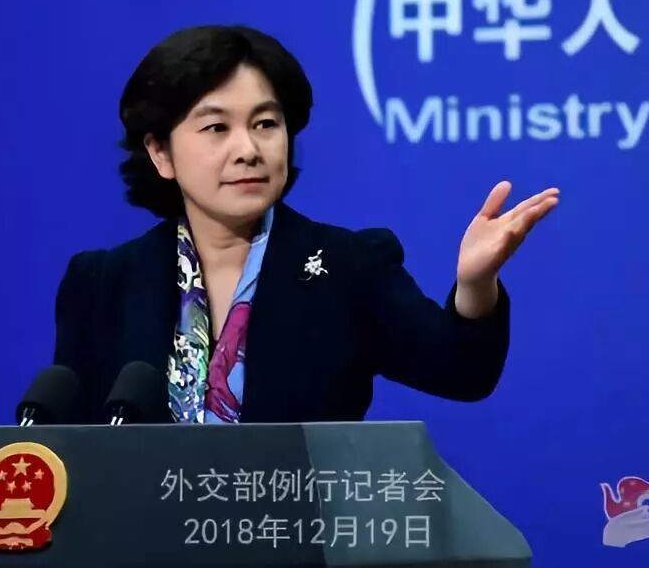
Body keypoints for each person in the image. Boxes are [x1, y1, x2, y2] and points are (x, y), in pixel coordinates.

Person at [52, 25, 559, 424]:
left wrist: (476, 285)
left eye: (265, 124)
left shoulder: (349, 267)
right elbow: (69, 447)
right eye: (217, 127)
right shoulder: (102, 283)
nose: (248, 149)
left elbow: (462, 373)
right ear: (160, 153)